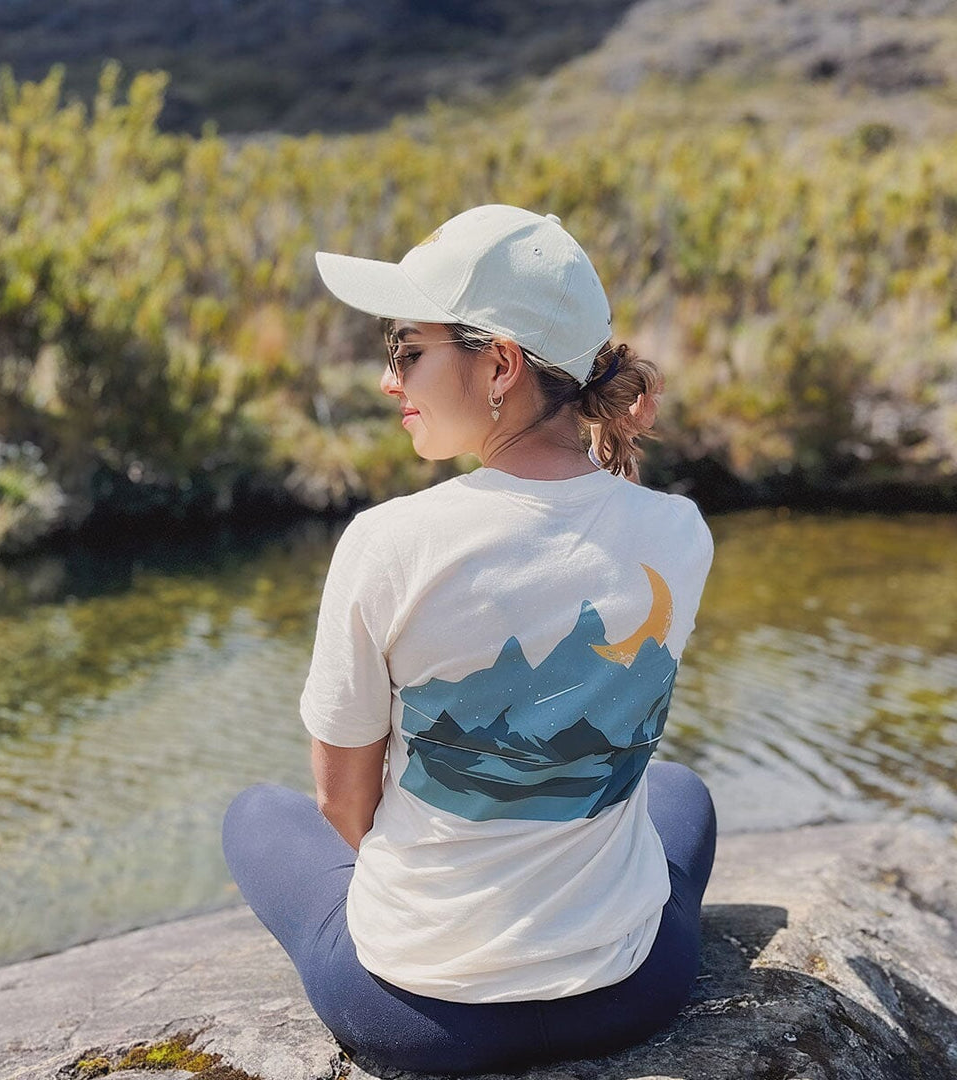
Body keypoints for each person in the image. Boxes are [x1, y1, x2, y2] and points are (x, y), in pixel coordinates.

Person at [222, 205, 717, 1074]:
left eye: (408, 351)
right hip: (632, 991)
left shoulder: (390, 543)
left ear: (499, 365)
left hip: (415, 1014)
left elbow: (344, 808)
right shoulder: (678, 531)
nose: (389, 381)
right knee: (682, 792)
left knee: (255, 816)